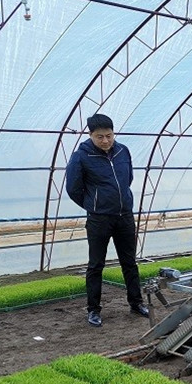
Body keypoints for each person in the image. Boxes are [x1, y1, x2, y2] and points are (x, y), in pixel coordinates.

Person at [66, 113, 149, 327]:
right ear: (90, 135)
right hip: (99, 219)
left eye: (109, 136)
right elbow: (73, 189)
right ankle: (93, 309)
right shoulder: (81, 157)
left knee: (129, 262)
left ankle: (136, 303)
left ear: (114, 133)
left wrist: (122, 200)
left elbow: (128, 178)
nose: (105, 141)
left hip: (124, 216)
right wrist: (94, 205)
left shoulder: (123, 151)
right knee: (96, 265)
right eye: (100, 137)